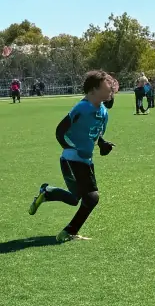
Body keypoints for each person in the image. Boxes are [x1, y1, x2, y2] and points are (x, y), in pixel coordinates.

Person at [28, 69, 117, 243]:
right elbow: (60, 130)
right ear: (93, 89)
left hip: (85, 160)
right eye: (107, 84)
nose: (111, 87)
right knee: (92, 197)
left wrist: (102, 144)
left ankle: (47, 192)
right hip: (72, 159)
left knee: (76, 199)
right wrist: (70, 149)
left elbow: (96, 133)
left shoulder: (103, 112)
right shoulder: (82, 108)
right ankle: (69, 231)